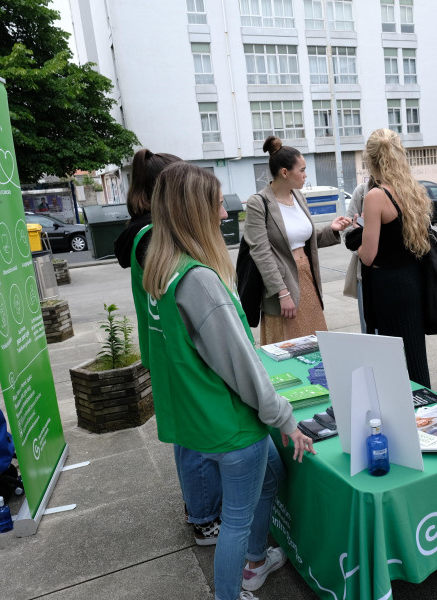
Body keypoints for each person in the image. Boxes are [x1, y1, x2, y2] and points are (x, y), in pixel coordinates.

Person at [143, 161, 317, 600]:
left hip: (201, 420)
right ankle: (232, 590)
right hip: (231, 425)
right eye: (219, 206)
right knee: (236, 519)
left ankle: (257, 560)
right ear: (194, 211)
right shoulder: (200, 280)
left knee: (271, 476)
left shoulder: (162, 270)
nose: (225, 216)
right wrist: (285, 418)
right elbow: (240, 364)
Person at [114, 148, 224, 546]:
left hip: (165, 349)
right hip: (174, 352)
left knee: (187, 434)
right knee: (191, 439)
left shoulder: (145, 233)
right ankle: (204, 517)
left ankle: (200, 506)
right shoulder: (150, 237)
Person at [244, 136, 350, 346]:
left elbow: (304, 239)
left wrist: (332, 230)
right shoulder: (259, 203)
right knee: (289, 347)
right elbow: (261, 252)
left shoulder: (298, 197)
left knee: (316, 344)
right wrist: (282, 293)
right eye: (301, 170)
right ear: (285, 172)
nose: (305, 175)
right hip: (281, 284)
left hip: (307, 279)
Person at [357, 128, 434, 388]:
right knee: (414, 356)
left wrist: (356, 243)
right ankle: (425, 412)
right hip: (412, 281)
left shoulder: (376, 196)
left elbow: (368, 256)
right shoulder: (413, 191)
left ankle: (408, 414)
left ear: (370, 159)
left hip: (387, 286)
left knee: (394, 362)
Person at [343, 182, 368, 333]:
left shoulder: (409, 189)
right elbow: (347, 229)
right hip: (365, 275)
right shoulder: (362, 191)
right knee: (371, 335)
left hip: (403, 277)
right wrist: (361, 248)